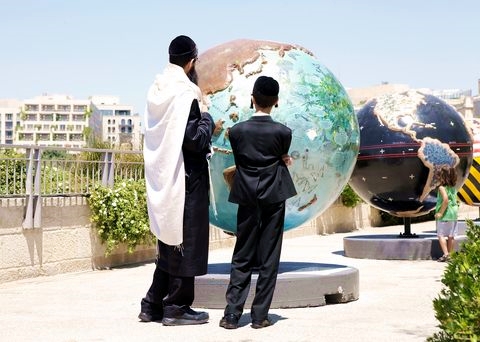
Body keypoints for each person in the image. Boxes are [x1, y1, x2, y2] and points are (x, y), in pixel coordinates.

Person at [139, 35, 216, 326]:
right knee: (187, 240)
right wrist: (208, 116)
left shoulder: (159, 88)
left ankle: (152, 304)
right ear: (192, 61)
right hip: (186, 179)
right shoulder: (187, 94)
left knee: (170, 240)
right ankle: (177, 307)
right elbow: (195, 139)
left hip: (162, 175)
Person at [219, 76, 297, 330]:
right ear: (276, 102)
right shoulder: (284, 132)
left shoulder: (237, 131)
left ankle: (231, 314)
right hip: (274, 193)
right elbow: (278, 156)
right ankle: (259, 315)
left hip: (247, 194)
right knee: (269, 254)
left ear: (252, 98)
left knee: (243, 251)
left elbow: (242, 160)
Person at [435, 167, 459, 262]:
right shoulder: (453, 187)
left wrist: (440, 213)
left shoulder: (442, 188)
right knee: (451, 235)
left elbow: (445, 200)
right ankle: (450, 255)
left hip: (445, 214)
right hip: (453, 214)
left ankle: (445, 254)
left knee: (440, 234)